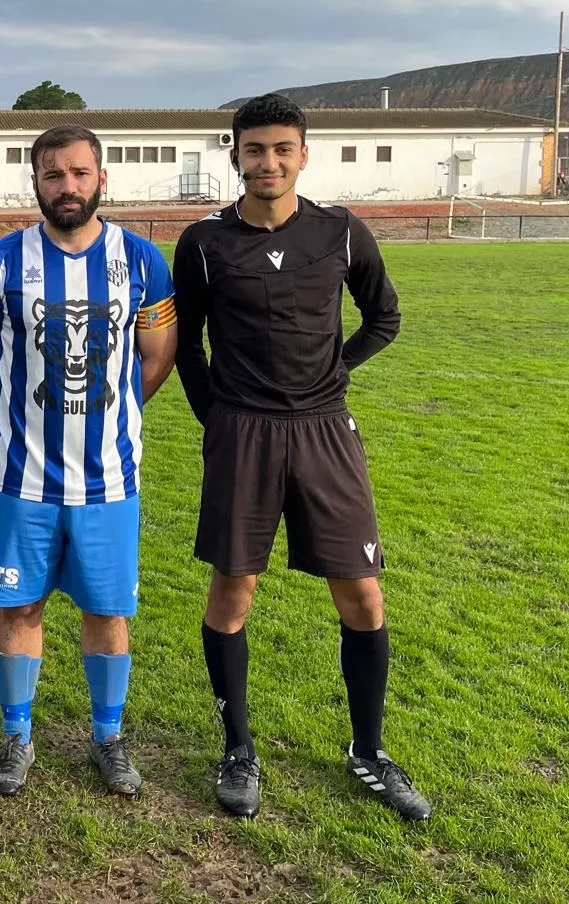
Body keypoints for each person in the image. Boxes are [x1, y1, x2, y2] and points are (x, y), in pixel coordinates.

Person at [171, 92, 430, 822]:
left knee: (363, 593)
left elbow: (386, 317)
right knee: (233, 590)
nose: (269, 162)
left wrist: (336, 371)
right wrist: (215, 414)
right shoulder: (204, 244)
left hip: (324, 432)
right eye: (255, 150)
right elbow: (185, 342)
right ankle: (237, 749)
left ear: (304, 154)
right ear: (236, 157)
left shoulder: (341, 233)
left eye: (282, 149)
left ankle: (370, 752)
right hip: (243, 433)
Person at [0, 124, 177, 797]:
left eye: (80, 173)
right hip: (20, 480)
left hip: (110, 480)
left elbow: (157, 355)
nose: (68, 186)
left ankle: (108, 737)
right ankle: (16, 736)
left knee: (107, 613)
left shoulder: (141, 261)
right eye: (54, 175)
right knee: (19, 608)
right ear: (37, 183)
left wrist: (114, 415)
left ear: (102, 177)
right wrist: (20, 413)